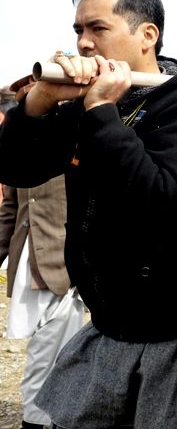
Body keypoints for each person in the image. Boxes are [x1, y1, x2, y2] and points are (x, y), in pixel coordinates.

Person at [0, 0, 177, 428]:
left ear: (147, 36)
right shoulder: (86, 103)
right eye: (78, 29)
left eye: (97, 29)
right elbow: (17, 168)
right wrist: (40, 101)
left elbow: (160, 197)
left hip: (176, 330)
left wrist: (102, 114)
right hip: (110, 321)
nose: (82, 43)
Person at [0, 176, 85, 429]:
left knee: (52, 354)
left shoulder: (75, 148)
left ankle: (36, 421)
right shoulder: (14, 153)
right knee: (43, 352)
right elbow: (9, 213)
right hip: (26, 264)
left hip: (64, 265)